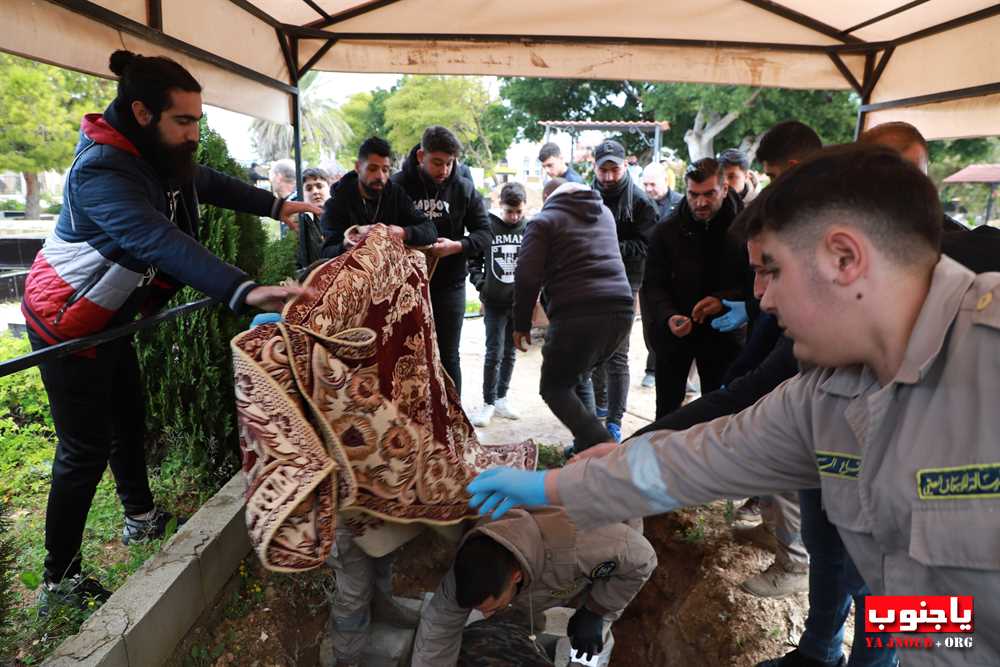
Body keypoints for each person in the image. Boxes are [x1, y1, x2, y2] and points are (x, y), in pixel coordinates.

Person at [467, 144, 1000, 667]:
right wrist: (551, 487)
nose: (762, 299)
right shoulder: (825, 395)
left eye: (773, 271)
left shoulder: (986, 364)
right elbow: (697, 459)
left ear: (845, 258)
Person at [19, 50, 319, 613]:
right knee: (82, 448)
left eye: (198, 122)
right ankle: (58, 579)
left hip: (109, 319)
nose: (193, 134)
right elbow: (155, 238)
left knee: (128, 419)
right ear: (140, 112)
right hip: (65, 325)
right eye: (183, 121)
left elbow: (204, 182)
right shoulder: (102, 173)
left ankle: (139, 517)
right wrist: (240, 288)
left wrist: (275, 205)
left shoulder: (152, 157)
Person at [411, 507, 656, 667]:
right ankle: (526, 623)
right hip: (538, 561)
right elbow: (438, 628)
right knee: (510, 614)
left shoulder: (585, 547)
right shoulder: (471, 565)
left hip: (612, 545)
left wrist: (597, 609)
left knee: (589, 642)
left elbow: (643, 559)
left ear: (516, 576)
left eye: (491, 606)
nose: (485, 615)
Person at [513, 178, 634, 450]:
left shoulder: (544, 220)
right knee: (578, 376)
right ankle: (586, 445)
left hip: (578, 313)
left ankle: (600, 446)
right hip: (621, 310)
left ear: (548, 196)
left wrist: (521, 324)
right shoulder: (604, 214)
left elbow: (526, 276)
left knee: (554, 387)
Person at [641, 157, 746, 419]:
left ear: (724, 188)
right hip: (676, 333)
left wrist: (724, 300)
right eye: (693, 194)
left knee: (721, 411)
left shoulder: (745, 228)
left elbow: (754, 279)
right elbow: (653, 284)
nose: (700, 203)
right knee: (667, 413)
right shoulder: (666, 230)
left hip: (725, 333)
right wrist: (667, 315)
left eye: (709, 194)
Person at [392, 126, 491, 394]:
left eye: (449, 163)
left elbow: (485, 233)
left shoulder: (464, 188)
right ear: (421, 155)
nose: (444, 170)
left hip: (451, 285)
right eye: (437, 162)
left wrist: (457, 246)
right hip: (404, 286)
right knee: (406, 355)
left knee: (448, 355)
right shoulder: (398, 185)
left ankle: (452, 423)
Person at [589, 139, 659, 441]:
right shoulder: (584, 196)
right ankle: (598, 408)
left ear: (625, 166)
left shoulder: (642, 203)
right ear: (594, 167)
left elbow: (646, 246)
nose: (608, 177)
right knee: (593, 351)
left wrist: (609, 246)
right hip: (589, 282)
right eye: (602, 170)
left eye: (613, 170)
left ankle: (615, 421)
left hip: (625, 284)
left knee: (618, 353)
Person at [469, 182, 529, 427]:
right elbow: (473, 260)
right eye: (509, 211)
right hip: (493, 302)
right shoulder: (489, 226)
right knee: (494, 352)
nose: (513, 217)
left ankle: (502, 398)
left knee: (511, 352)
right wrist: (481, 284)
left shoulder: (529, 227)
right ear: (500, 206)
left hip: (518, 303)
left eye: (518, 212)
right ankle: (488, 403)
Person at [318, 136, 436, 259]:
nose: (380, 176)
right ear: (358, 167)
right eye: (372, 169)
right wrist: (347, 245)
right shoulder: (336, 203)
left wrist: (403, 232)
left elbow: (430, 229)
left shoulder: (396, 194)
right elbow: (326, 252)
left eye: (385, 170)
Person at [639, 161, 684, 388]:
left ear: (665, 181)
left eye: (652, 184)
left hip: (676, 277)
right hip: (648, 277)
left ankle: (674, 372)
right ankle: (652, 367)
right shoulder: (638, 205)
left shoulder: (681, 204)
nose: (648, 189)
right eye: (645, 184)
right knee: (650, 325)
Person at [295, 167, 333, 272]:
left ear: (329, 188)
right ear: (302, 194)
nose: (315, 191)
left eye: (319, 186)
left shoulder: (344, 215)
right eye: (309, 188)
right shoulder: (299, 224)